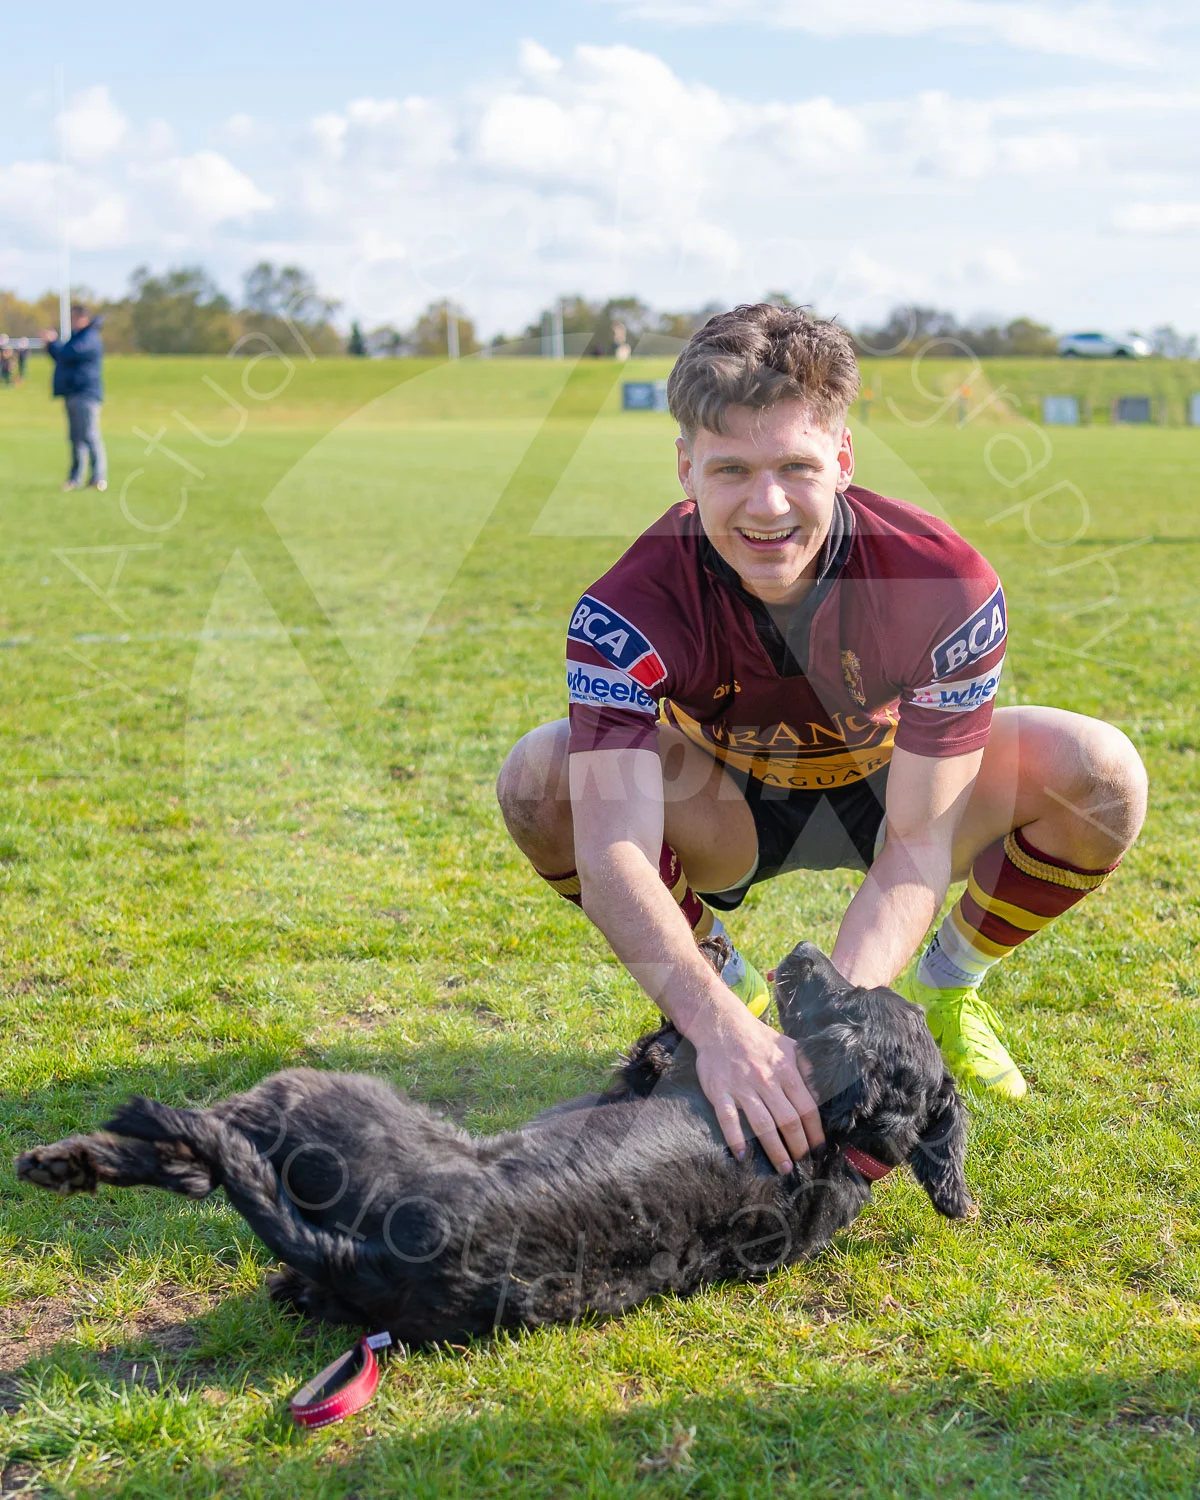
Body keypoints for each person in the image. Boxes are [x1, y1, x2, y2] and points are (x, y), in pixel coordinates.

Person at [496, 303, 1146, 1177]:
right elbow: (612, 851)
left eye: (796, 467)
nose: (767, 507)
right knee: (543, 777)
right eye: (731, 470)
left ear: (842, 460)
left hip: (895, 788)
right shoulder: (626, 606)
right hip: (728, 805)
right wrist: (721, 1031)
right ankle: (731, 990)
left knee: (1100, 772)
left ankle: (947, 991)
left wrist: (834, 1030)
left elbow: (917, 841)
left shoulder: (941, 579)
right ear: (685, 468)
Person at [40, 304, 107, 492]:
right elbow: (62, 357)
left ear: (83, 318)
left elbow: (70, 354)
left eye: (75, 317)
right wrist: (50, 346)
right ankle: (75, 478)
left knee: (90, 435)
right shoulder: (76, 338)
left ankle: (98, 477)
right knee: (75, 439)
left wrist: (54, 342)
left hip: (86, 395)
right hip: (72, 393)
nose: (73, 321)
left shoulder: (90, 336)